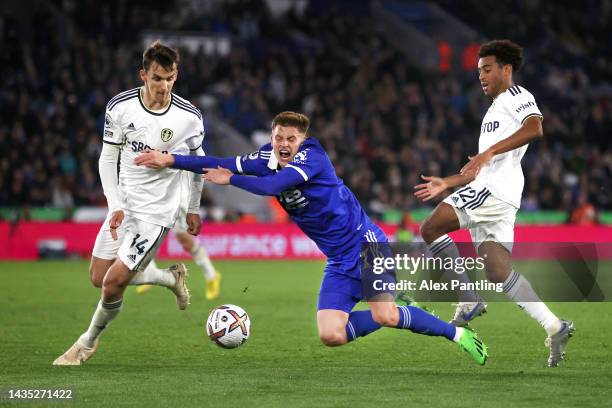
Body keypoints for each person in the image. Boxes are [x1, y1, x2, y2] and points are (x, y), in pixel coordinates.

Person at [135, 111, 489, 365]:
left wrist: (231, 179)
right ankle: (401, 308)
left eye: (291, 138)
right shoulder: (266, 157)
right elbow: (218, 159)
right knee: (330, 335)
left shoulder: (313, 157)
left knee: (386, 317)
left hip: (367, 246)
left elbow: (272, 185)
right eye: (279, 138)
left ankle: (456, 334)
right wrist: (170, 160)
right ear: (271, 138)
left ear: (302, 141)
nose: (284, 144)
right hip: (338, 260)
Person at [414, 40, 574, 367]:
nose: (481, 76)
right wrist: (448, 182)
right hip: (500, 194)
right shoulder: (493, 111)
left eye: (487, 69)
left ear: (506, 69)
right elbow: (480, 170)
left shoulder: (516, 96)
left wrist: (488, 152)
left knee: (430, 228)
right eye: (478, 71)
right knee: (498, 271)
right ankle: (554, 326)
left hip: (495, 192)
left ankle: (468, 298)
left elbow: (535, 127)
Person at [53, 41, 204, 365]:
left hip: (156, 214)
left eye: (170, 78)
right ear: (143, 75)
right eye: (158, 78)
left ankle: (85, 345)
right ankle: (169, 278)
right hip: (125, 207)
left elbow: (198, 164)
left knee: (112, 285)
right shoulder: (121, 107)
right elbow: (108, 159)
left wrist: (192, 207)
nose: (164, 86)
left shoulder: (188, 117)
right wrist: (115, 204)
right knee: (98, 277)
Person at [136, 172, 222, 300]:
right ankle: (148, 272)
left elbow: (196, 160)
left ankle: (211, 275)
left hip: (179, 193)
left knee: (185, 240)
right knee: (145, 233)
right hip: (156, 190)